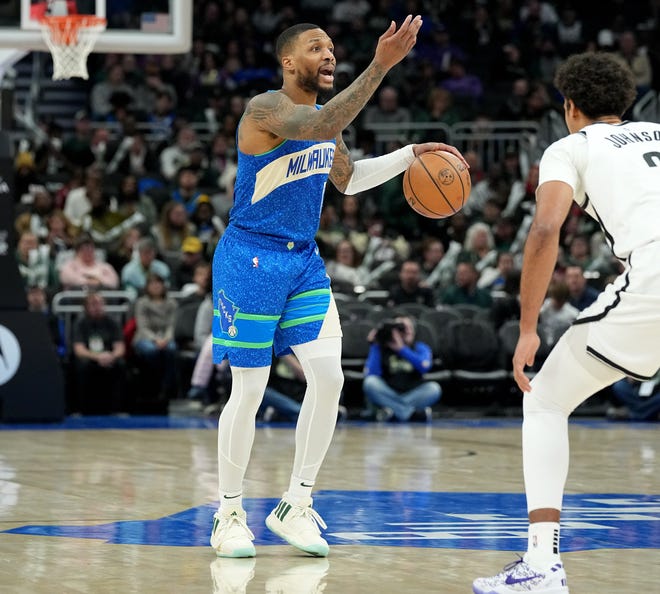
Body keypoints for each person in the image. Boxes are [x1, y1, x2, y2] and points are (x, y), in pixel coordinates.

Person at [209, 17, 467, 560]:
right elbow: (320, 124)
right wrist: (381, 65)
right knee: (249, 390)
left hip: (302, 260)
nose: (328, 54)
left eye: (331, 47)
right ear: (288, 62)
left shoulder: (328, 126)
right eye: (315, 47)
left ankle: (294, 505)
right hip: (250, 258)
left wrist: (409, 156)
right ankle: (228, 513)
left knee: (328, 378)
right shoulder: (266, 109)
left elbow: (347, 179)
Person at [473, 52, 660, 593]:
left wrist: (528, 326)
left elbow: (545, 229)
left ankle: (541, 564)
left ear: (570, 107)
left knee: (546, 400)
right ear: (625, 102)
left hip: (651, 276)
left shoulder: (569, 146)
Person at [363, 315, 441, 422]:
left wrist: (402, 350)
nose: (407, 330)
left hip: (413, 392)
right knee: (370, 383)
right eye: (401, 328)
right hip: (389, 391)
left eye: (409, 327)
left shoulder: (420, 347)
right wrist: (375, 345)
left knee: (434, 388)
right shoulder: (382, 348)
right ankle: (409, 413)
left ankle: (394, 411)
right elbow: (371, 374)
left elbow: (424, 367)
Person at [71, 291, 126, 415]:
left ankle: (116, 409)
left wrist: (111, 356)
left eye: (100, 304)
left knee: (120, 364)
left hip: (108, 356)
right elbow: (79, 349)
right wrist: (97, 357)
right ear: (86, 307)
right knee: (82, 365)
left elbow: (120, 348)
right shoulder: (80, 323)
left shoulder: (112, 322)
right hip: (89, 356)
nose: (97, 307)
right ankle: (82, 409)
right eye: (93, 304)